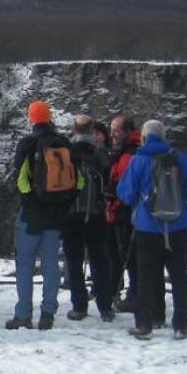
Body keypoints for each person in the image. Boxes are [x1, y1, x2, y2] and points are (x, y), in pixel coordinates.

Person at [116, 119, 187, 340]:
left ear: (144, 138)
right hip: (177, 226)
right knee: (178, 275)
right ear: (163, 136)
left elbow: (124, 194)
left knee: (147, 275)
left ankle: (145, 323)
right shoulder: (179, 158)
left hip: (148, 227)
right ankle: (181, 325)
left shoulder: (138, 160)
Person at [7, 101, 83, 331]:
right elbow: (78, 180)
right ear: (49, 117)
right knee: (50, 263)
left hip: (32, 215)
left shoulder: (28, 144)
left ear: (31, 119)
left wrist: (31, 201)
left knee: (25, 263)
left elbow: (21, 179)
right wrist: (64, 202)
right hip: (56, 214)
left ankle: (23, 314)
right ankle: (48, 312)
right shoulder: (64, 144)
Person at [61, 114, 114, 322]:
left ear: (74, 130)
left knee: (73, 261)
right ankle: (105, 307)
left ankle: (79, 306)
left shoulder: (66, 152)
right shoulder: (100, 153)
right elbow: (111, 182)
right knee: (100, 260)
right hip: (96, 214)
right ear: (92, 130)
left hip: (71, 214)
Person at [106, 114, 141, 313]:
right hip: (129, 210)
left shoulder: (128, 154)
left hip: (125, 211)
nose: (113, 135)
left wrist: (113, 204)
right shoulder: (131, 150)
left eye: (116, 131)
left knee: (129, 254)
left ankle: (134, 295)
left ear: (127, 131)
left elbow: (123, 184)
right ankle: (135, 293)